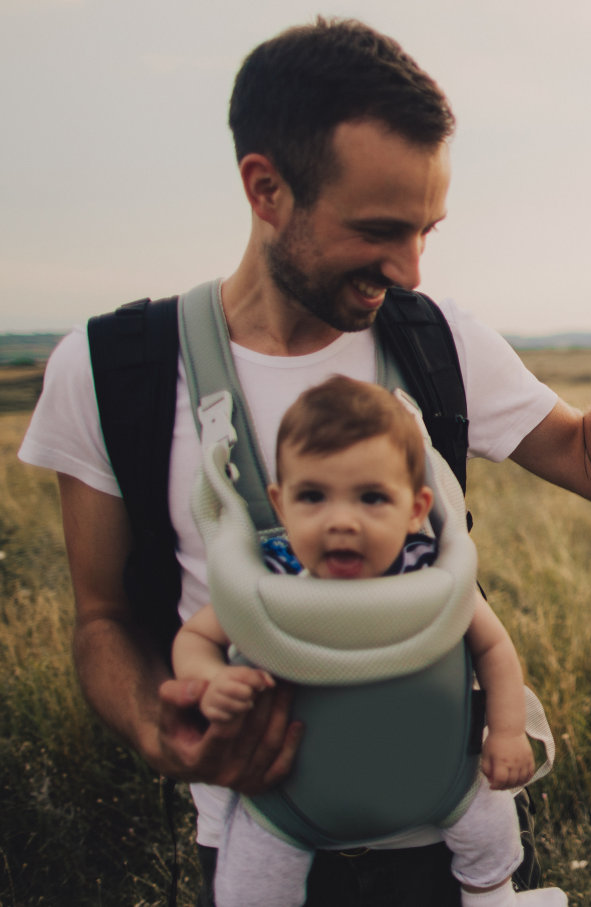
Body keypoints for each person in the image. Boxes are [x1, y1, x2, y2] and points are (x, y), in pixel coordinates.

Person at [18, 17, 591, 906]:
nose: (410, 269)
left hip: (456, 842)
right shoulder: (112, 372)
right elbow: (101, 620)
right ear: (266, 189)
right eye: (379, 229)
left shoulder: (435, 336)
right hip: (268, 848)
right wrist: (159, 729)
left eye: (426, 230)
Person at [173, 376, 558, 907]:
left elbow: (495, 648)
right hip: (287, 796)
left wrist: (509, 732)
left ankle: (491, 896)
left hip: (441, 777)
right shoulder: (269, 579)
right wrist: (209, 680)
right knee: (251, 877)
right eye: (313, 497)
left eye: (372, 498)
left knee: (491, 823)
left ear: (417, 508)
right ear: (280, 506)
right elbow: (194, 637)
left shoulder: (430, 574)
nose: (342, 522)